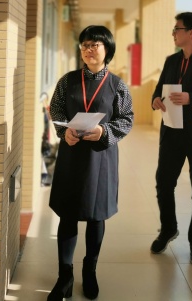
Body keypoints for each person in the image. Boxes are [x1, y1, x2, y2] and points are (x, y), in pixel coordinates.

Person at [47, 25, 134, 300]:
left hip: (101, 157)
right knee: (68, 214)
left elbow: (126, 119)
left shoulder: (117, 85)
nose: (88, 49)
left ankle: (90, 271)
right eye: (85, 44)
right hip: (72, 153)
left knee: (97, 214)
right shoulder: (68, 81)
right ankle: (64, 276)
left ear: (107, 49)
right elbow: (56, 109)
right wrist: (63, 131)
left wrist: (104, 131)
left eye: (94, 44)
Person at [149, 12, 192, 265]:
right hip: (171, 132)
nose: (174, 33)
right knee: (164, 183)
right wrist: (155, 100)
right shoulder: (171, 60)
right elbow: (159, 90)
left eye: (177, 29)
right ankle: (168, 229)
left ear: (191, 32)